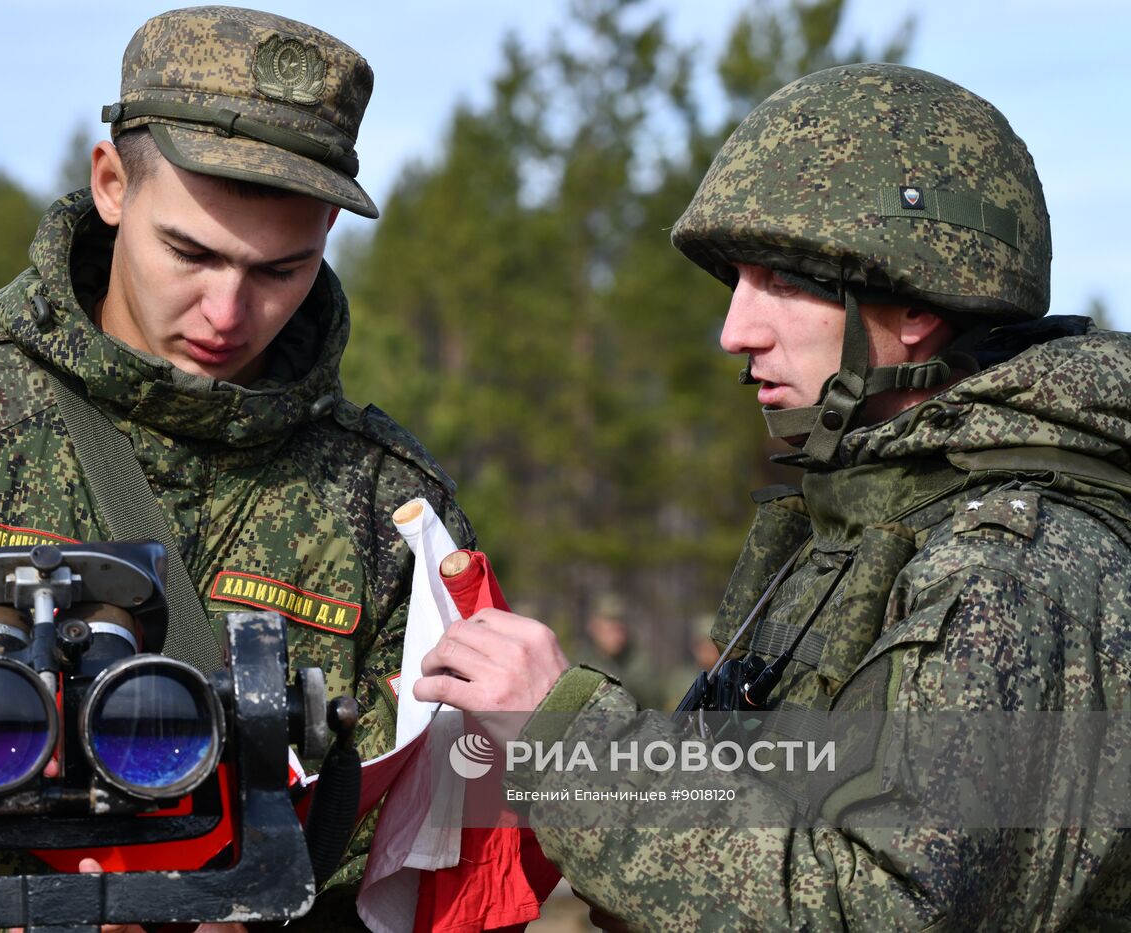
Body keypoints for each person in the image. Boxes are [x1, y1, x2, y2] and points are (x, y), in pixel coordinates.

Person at [0, 7, 471, 931]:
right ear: (112, 182)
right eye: (190, 252)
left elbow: (434, 840)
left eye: (282, 268)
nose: (228, 310)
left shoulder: (385, 506)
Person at [415, 62, 1131, 928]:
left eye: (784, 282)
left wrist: (568, 740)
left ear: (913, 309)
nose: (734, 331)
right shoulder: (862, 524)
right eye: (737, 282)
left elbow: (884, 909)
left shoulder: (1013, 570)